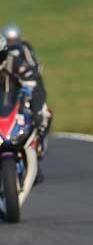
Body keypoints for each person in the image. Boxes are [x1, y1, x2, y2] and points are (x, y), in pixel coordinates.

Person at [0, 28, 51, 164]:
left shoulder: (17, 56)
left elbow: (32, 74)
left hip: (17, 97)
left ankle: (37, 140)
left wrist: (28, 86)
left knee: (40, 113)